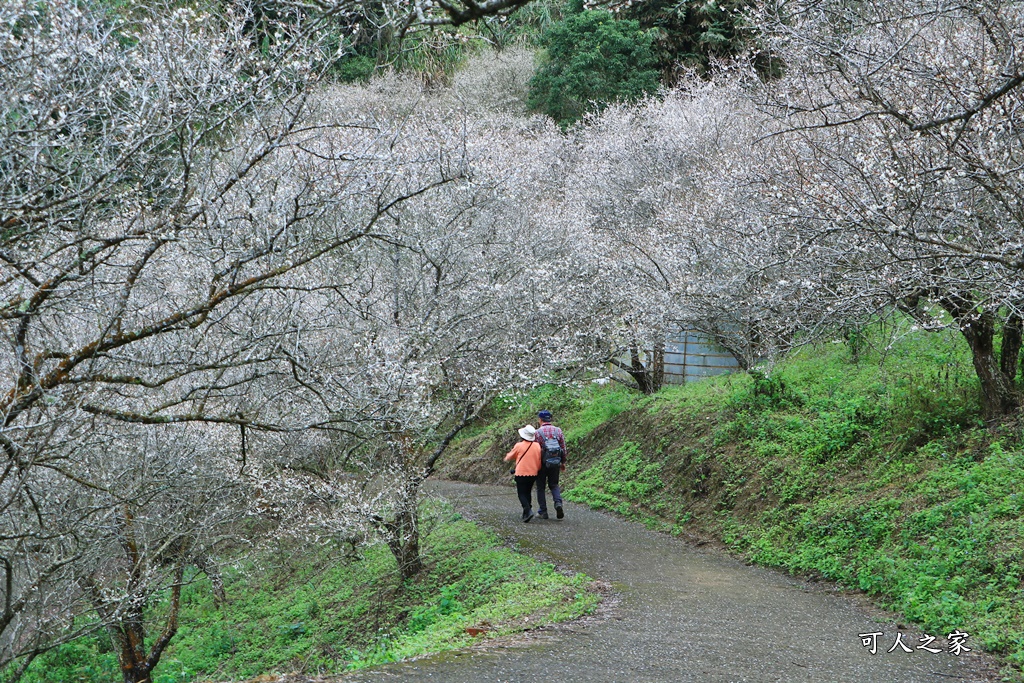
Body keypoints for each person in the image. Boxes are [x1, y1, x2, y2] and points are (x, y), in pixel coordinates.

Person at [504, 424, 541, 522]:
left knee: (521, 493)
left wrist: (506, 457)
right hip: (533, 473)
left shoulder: (519, 446)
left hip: (521, 473)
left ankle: (528, 510)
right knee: (528, 492)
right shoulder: (537, 446)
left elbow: (509, 456)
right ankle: (526, 513)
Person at [534, 410, 566, 519]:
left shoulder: (537, 432)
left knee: (540, 487)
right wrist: (563, 462)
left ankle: (543, 511)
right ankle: (558, 503)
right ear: (550, 419)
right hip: (555, 462)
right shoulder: (558, 431)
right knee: (554, 485)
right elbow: (563, 448)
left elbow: (535, 450)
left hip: (542, 464)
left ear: (540, 420)